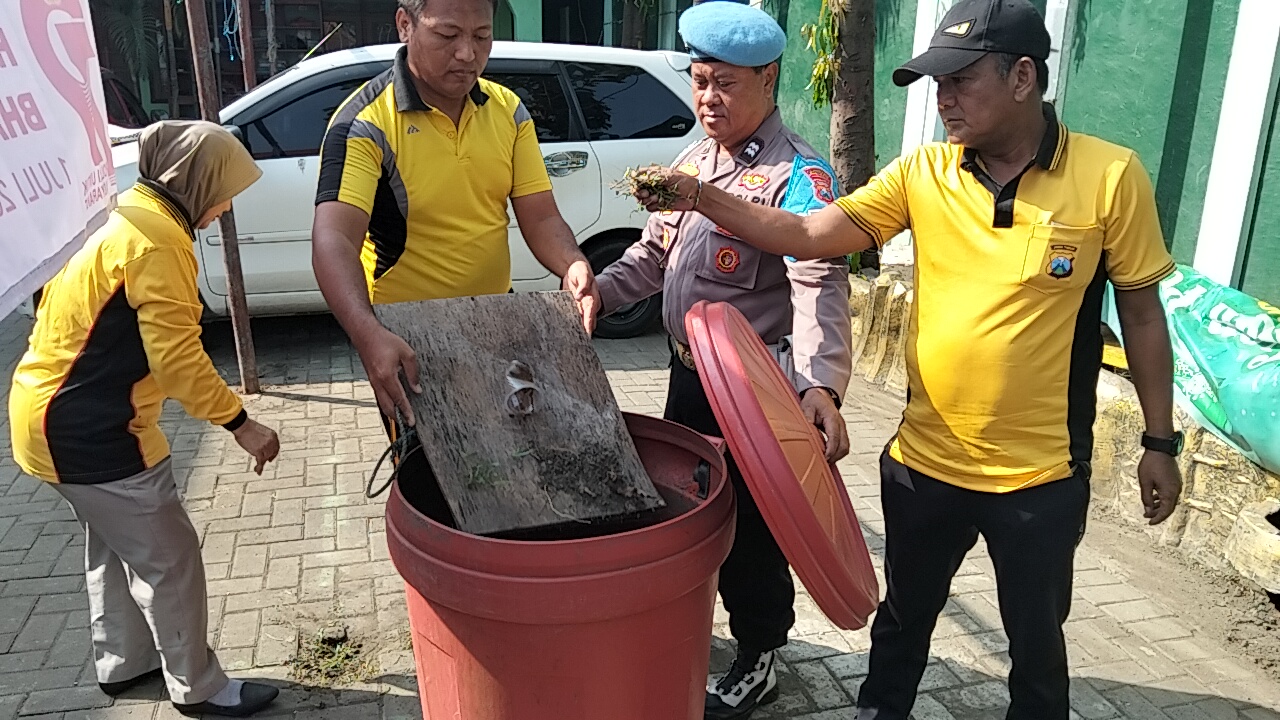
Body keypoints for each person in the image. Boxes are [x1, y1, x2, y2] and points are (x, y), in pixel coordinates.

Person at [633, 1, 1186, 718]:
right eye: (935, 82)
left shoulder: (1112, 177)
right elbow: (806, 233)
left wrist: (1159, 441)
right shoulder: (925, 171)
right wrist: (699, 195)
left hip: (1041, 477)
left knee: (1037, 651)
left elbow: (1142, 314)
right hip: (924, 465)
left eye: (959, 81)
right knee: (900, 629)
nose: (942, 99)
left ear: (1023, 76)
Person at [597, 3, 853, 717]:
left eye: (726, 84)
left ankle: (761, 651)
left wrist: (821, 385)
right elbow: (651, 259)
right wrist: (594, 297)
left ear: (769, 79)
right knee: (688, 510)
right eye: (700, 81)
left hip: (754, 387)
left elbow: (818, 280)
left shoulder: (798, 176)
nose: (708, 98)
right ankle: (695, 630)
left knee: (752, 529)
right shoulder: (691, 159)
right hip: (688, 375)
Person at [9, 121, 283, 717]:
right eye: (226, 189)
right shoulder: (158, 241)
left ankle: (125, 665)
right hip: (93, 430)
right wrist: (242, 424)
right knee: (172, 558)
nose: (226, 206)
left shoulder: (125, 209)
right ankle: (201, 689)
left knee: (114, 546)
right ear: (198, 179)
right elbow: (179, 359)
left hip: (49, 414)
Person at [312, 0, 600, 444]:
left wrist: (572, 264)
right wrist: (368, 336)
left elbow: (540, 215)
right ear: (405, 25)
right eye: (448, 36)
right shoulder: (366, 124)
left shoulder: (508, 110)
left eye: (482, 36)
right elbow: (333, 239)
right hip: (408, 340)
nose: (468, 54)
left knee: (511, 457)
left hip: (496, 326)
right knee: (429, 481)